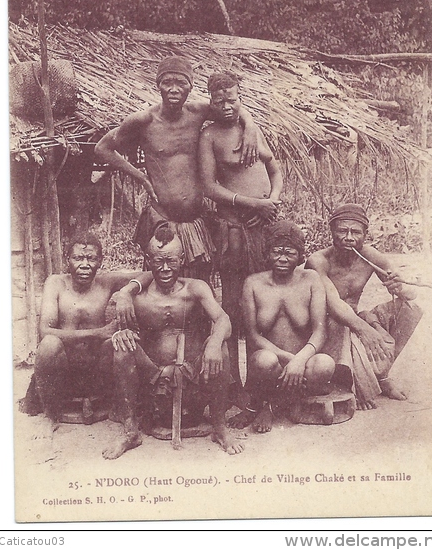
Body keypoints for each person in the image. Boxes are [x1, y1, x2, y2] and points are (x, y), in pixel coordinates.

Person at [94, 56, 259, 282]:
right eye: (167, 82)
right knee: (161, 284)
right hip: (163, 217)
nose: (174, 89)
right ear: (158, 85)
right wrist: (140, 176)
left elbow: (231, 107)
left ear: (190, 86)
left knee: (199, 288)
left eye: (181, 83)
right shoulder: (143, 120)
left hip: (197, 221)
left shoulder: (199, 112)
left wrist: (250, 127)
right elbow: (102, 148)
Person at [102, 224, 244, 459]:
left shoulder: (196, 289)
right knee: (123, 348)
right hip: (154, 379)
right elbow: (114, 330)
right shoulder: (138, 296)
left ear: (182, 258)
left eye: (171, 261)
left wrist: (213, 342)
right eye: (158, 262)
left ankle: (220, 428)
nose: (166, 268)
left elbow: (223, 319)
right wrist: (123, 309)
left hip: (194, 375)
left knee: (221, 345)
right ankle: (130, 432)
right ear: (148, 261)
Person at [198, 71, 283, 394]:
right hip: (235, 229)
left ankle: (265, 383)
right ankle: (234, 386)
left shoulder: (252, 129)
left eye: (232, 99)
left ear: (240, 97)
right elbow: (208, 186)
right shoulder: (209, 137)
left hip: (265, 226)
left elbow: (275, 168)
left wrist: (272, 199)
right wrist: (250, 203)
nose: (226, 106)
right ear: (210, 101)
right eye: (219, 101)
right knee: (234, 306)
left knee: (265, 304)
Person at [22, 233, 147, 433]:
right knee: (49, 345)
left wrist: (126, 292)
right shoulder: (56, 283)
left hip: (97, 369)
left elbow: (148, 274)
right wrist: (98, 333)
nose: (85, 264)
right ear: (67, 260)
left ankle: (122, 411)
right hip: (65, 369)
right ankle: (51, 414)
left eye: (91, 258)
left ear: (100, 262)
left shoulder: (106, 282)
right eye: (78, 258)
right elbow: (45, 331)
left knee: (120, 343)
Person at [305, 203, 422, 410]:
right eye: (342, 231)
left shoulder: (371, 256)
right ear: (331, 231)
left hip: (354, 319)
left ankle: (381, 376)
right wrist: (366, 329)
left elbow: (410, 295)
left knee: (409, 310)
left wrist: (399, 286)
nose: (349, 237)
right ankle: (355, 385)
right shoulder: (318, 261)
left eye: (355, 232)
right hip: (328, 324)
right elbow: (333, 305)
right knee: (340, 319)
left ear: (365, 234)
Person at [228, 220, 334, 433]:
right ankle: (279, 402)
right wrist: (290, 360)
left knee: (325, 364)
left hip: (303, 364)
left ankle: (273, 406)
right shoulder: (253, 283)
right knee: (263, 360)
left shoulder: (311, 279)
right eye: (277, 252)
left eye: (290, 253)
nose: (282, 259)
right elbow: (252, 335)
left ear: (300, 255)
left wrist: (300, 360)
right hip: (272, 364)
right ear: (267, 253)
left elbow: (320, 331)